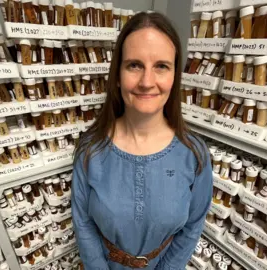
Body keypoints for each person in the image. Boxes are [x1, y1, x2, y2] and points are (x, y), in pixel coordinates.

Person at [72, 11, 213, 270]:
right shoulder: (90, 149)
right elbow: (83, 222)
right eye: (134, 65)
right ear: (117, 75)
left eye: (161, 66)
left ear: (174, 77)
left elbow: (193, 226)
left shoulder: (195, 154)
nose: (147, 82)